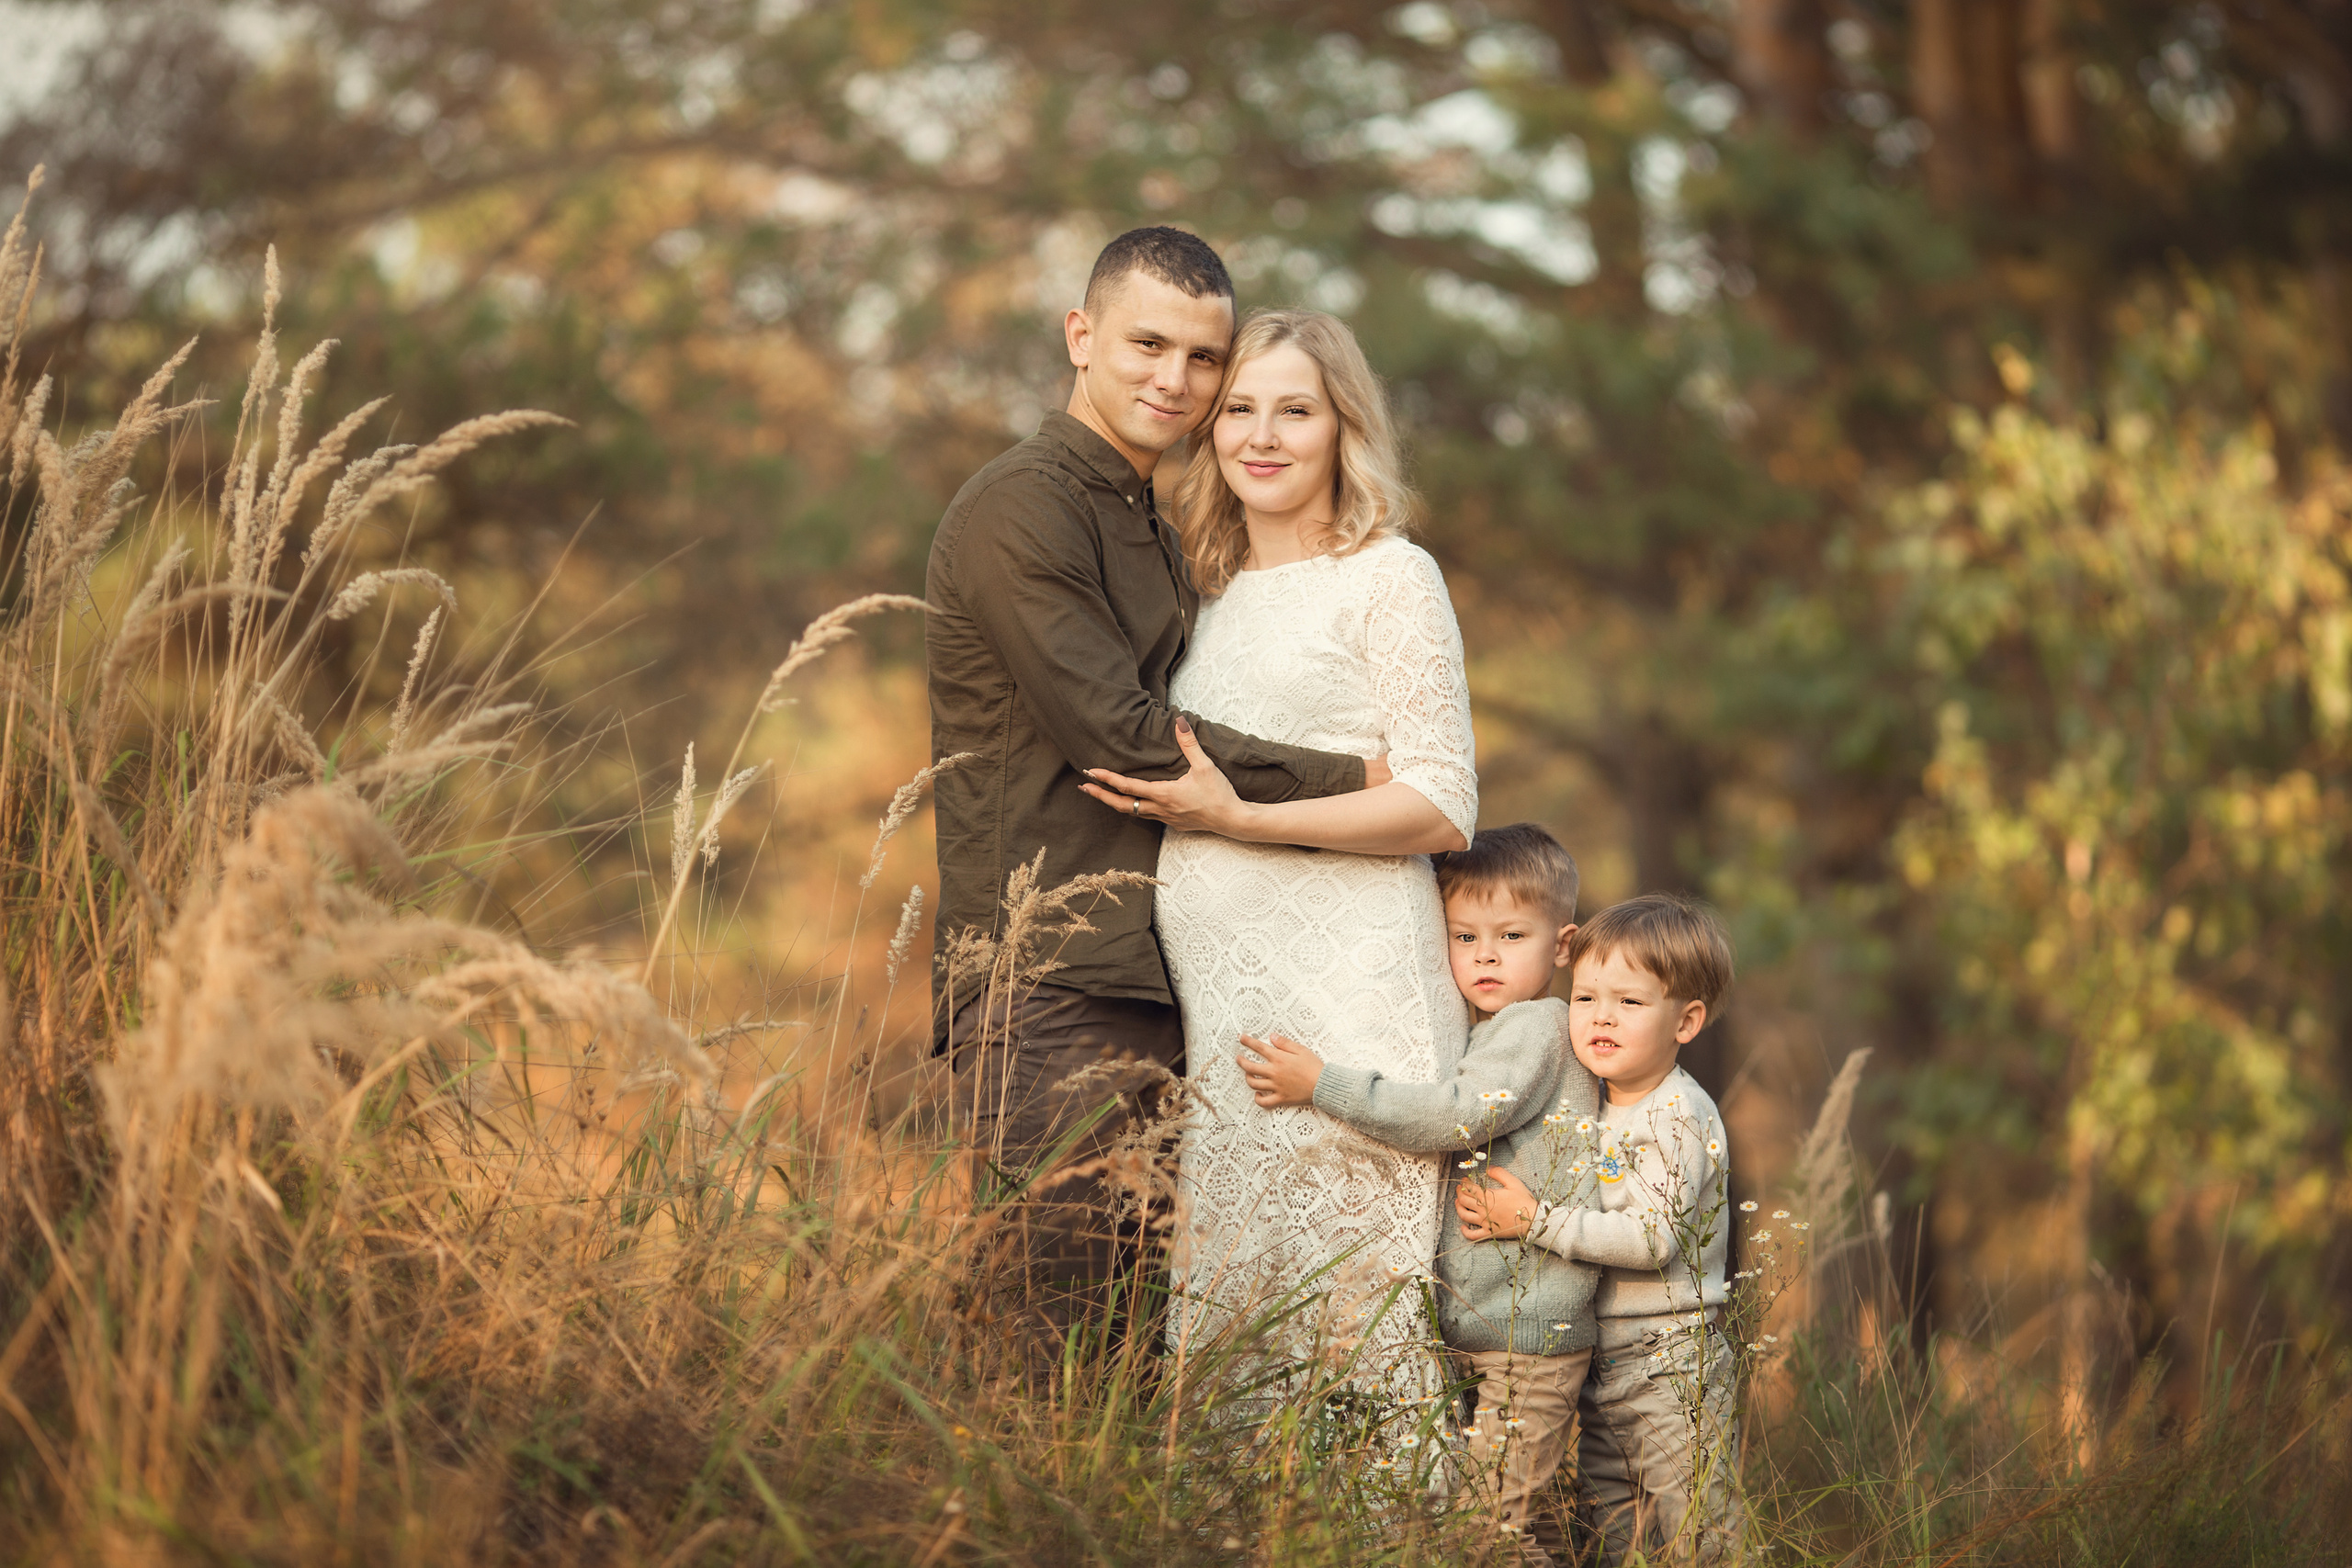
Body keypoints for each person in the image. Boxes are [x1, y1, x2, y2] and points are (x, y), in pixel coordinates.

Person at [924, 228, 1383, 1379]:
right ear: (1081, 337)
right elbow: (1124, 739)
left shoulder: (1154, 523)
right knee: (1052, 1346)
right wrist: (1365, 779)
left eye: (1201, 357)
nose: (1173, 380)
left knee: (1133, 1362)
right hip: (1048, 980)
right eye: (1146, 343)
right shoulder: (1018, 510)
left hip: (1158, 980)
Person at [1076, 308, 1476, 1403]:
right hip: (1225, 1012)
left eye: (1293, 410)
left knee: (1359, 1330)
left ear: (1341, 425)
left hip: (1349, 995)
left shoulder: (1390, 577)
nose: (1261, 435)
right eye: (1239, 410)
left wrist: (1238, 823)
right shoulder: (1204, 598)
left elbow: (1442, 804)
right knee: (1241, 1326)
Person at [1235, 823, 1603, 1566]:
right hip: (1496, 1331)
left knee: (1487, 1534)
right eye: (1464, 935)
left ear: (1562, 946)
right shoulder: (1493, 1027)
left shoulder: (1535, 1026)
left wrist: (1323, 1085)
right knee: (1517, 1524)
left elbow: (1451, 1114)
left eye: (1510, 934)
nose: (1486, 954)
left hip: (1527, 1335)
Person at [1457, 894, 1745, 1566]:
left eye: (1631, 1002)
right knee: (1619, 1533)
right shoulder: (1593, 1098)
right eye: (1585, 998)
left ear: (1687, 1020)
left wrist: (1532, 1221)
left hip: (1671, 1358)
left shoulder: (1676, 1114)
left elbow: (1650, 1241)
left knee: (1701, 1526)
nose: (1601, 1016)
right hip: (1603, 1361)